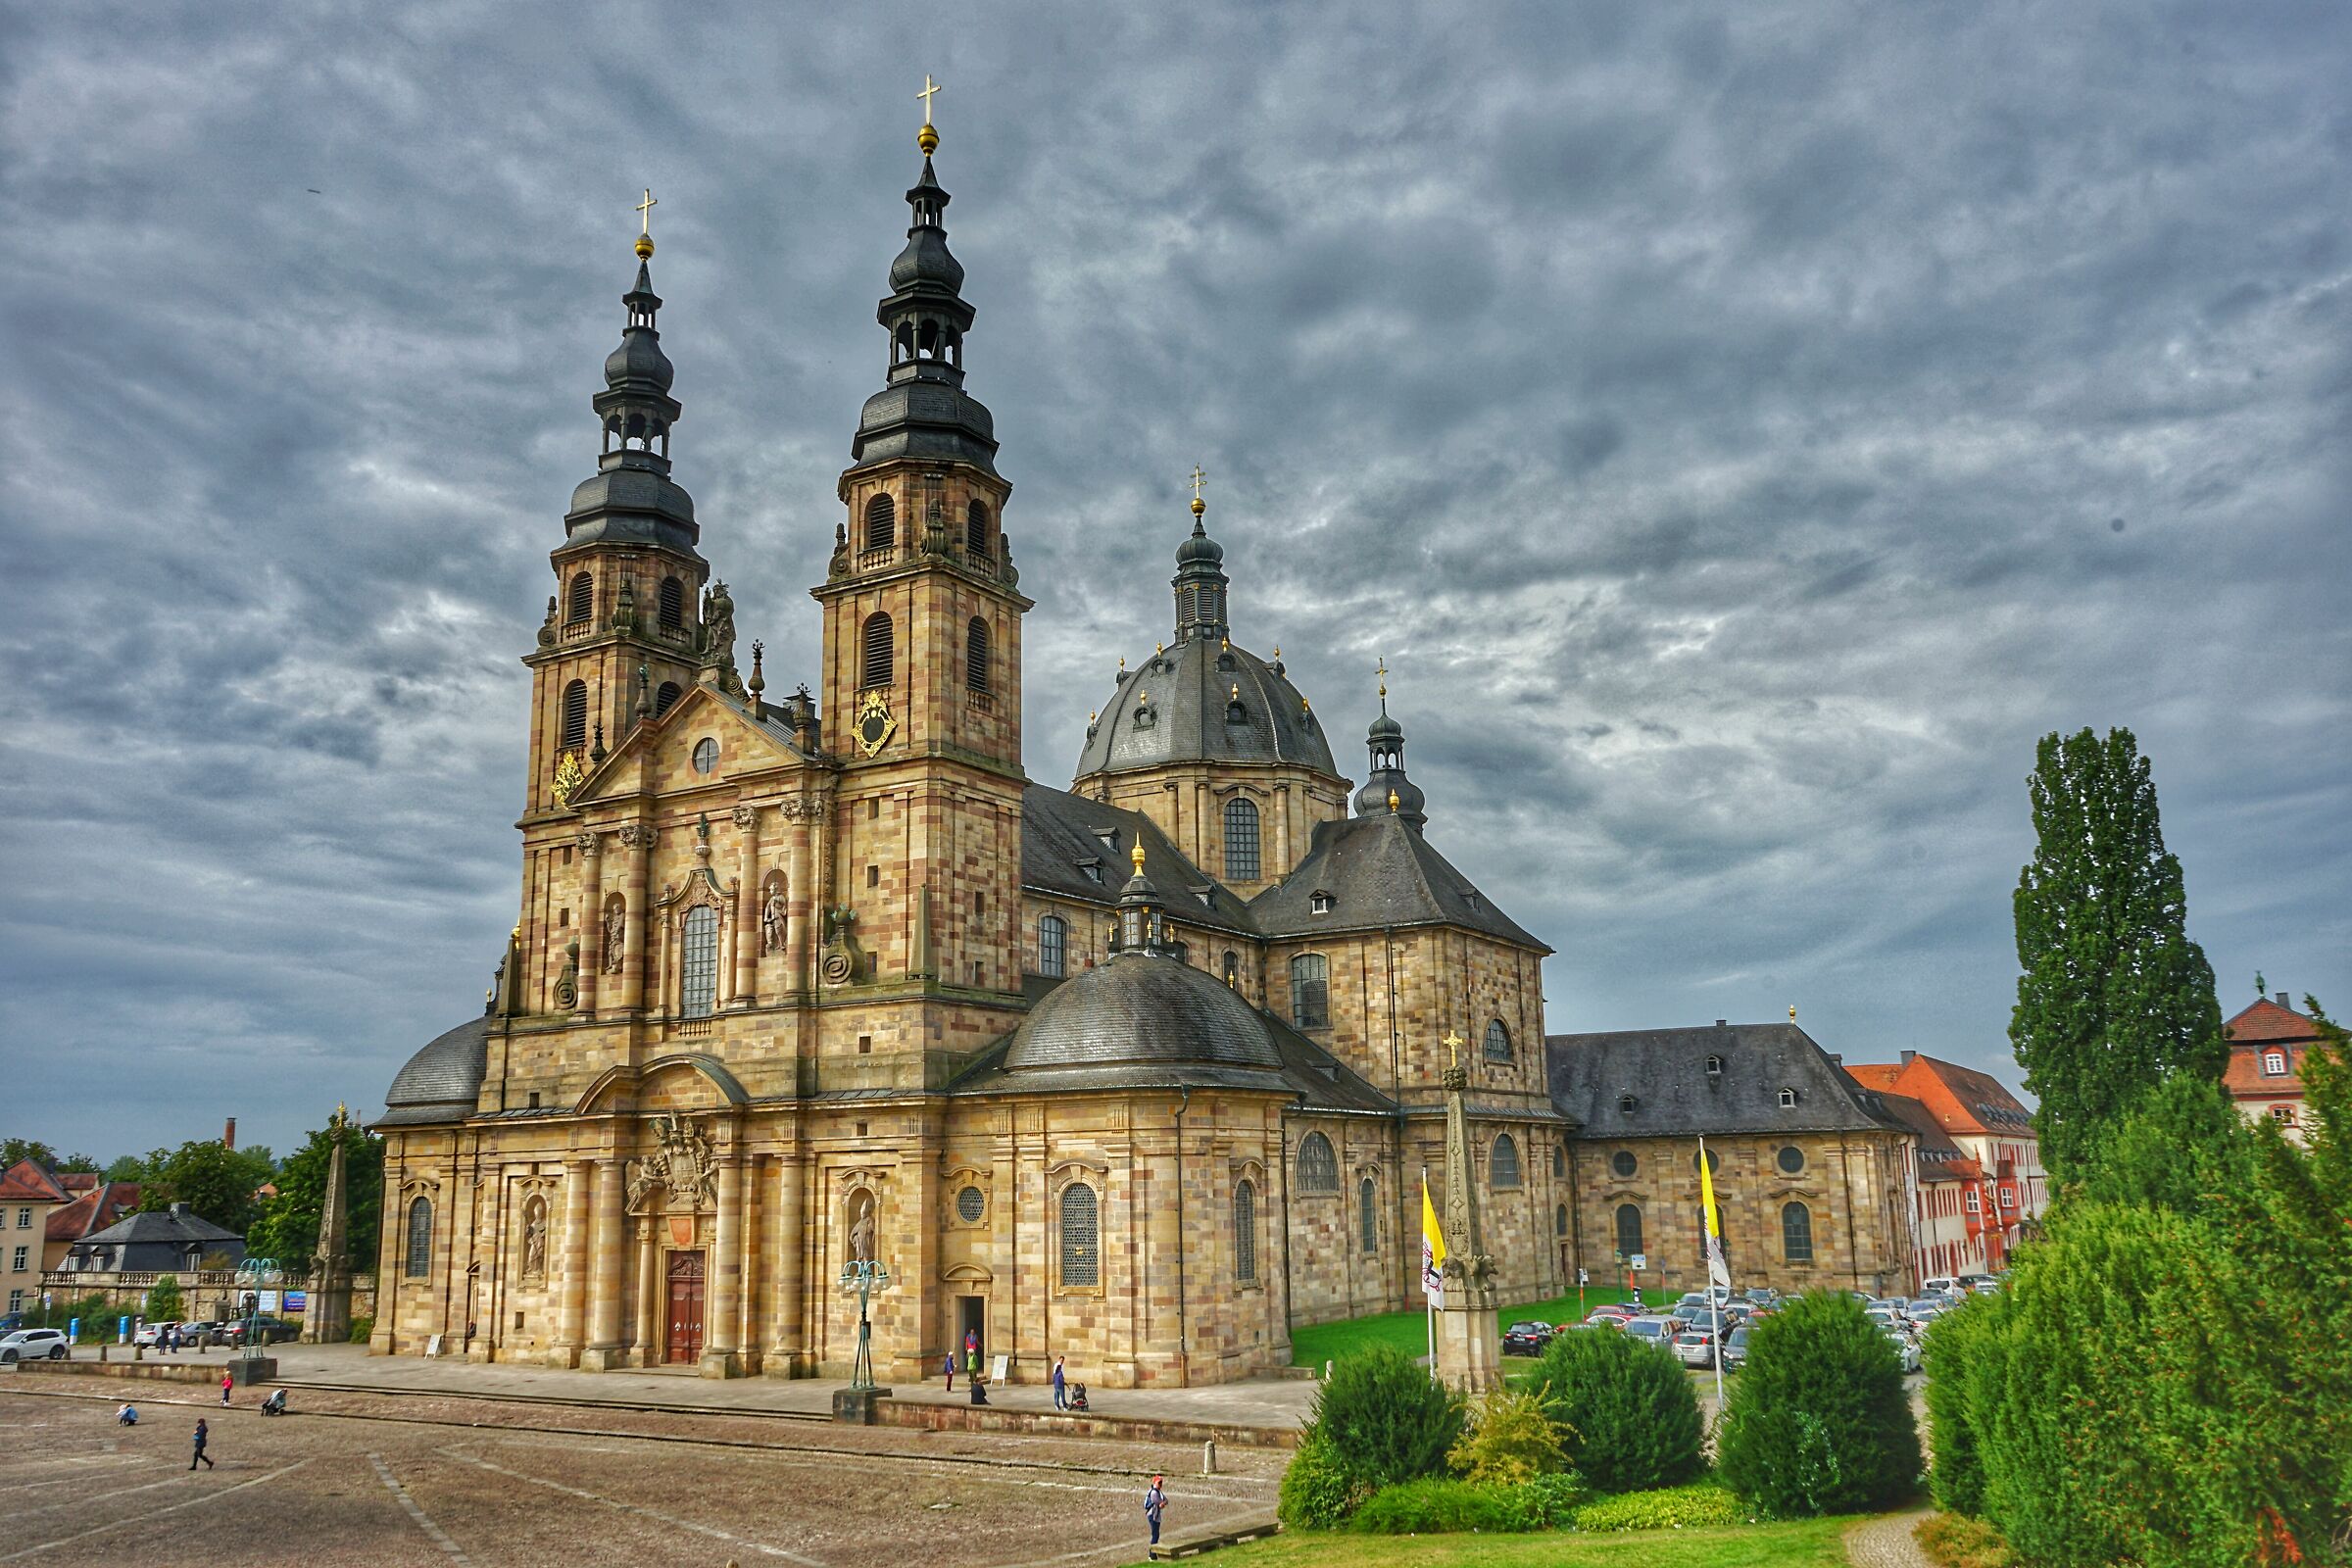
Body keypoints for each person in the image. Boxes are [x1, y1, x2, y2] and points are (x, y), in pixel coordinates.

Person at [1144, 1475, 1166, 1546]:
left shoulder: (1159, 1492)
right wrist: (1161, 1503)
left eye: (1161, 1482)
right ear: (1155, 1483)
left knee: (1156, 1534)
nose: (1161, 1484)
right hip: (1153, 1515)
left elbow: (1166, 1501)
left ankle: (1153, 1553)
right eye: (1159, 1483)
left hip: (1155, 1515)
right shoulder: (1154, 1493)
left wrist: (1162, 1503)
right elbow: (1158, 1502)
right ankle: (1152, 1554)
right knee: (1155, 1535)